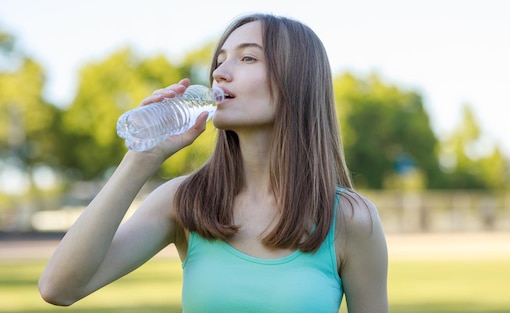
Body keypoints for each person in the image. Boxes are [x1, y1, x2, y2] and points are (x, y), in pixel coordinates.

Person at [38, 13, 388, 313]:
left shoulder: (349, 218)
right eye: (220, 59)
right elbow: (59, 288)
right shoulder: (185, 202)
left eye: (248, 58)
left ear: (296, 82)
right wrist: (140, 159)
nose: (220, 72)